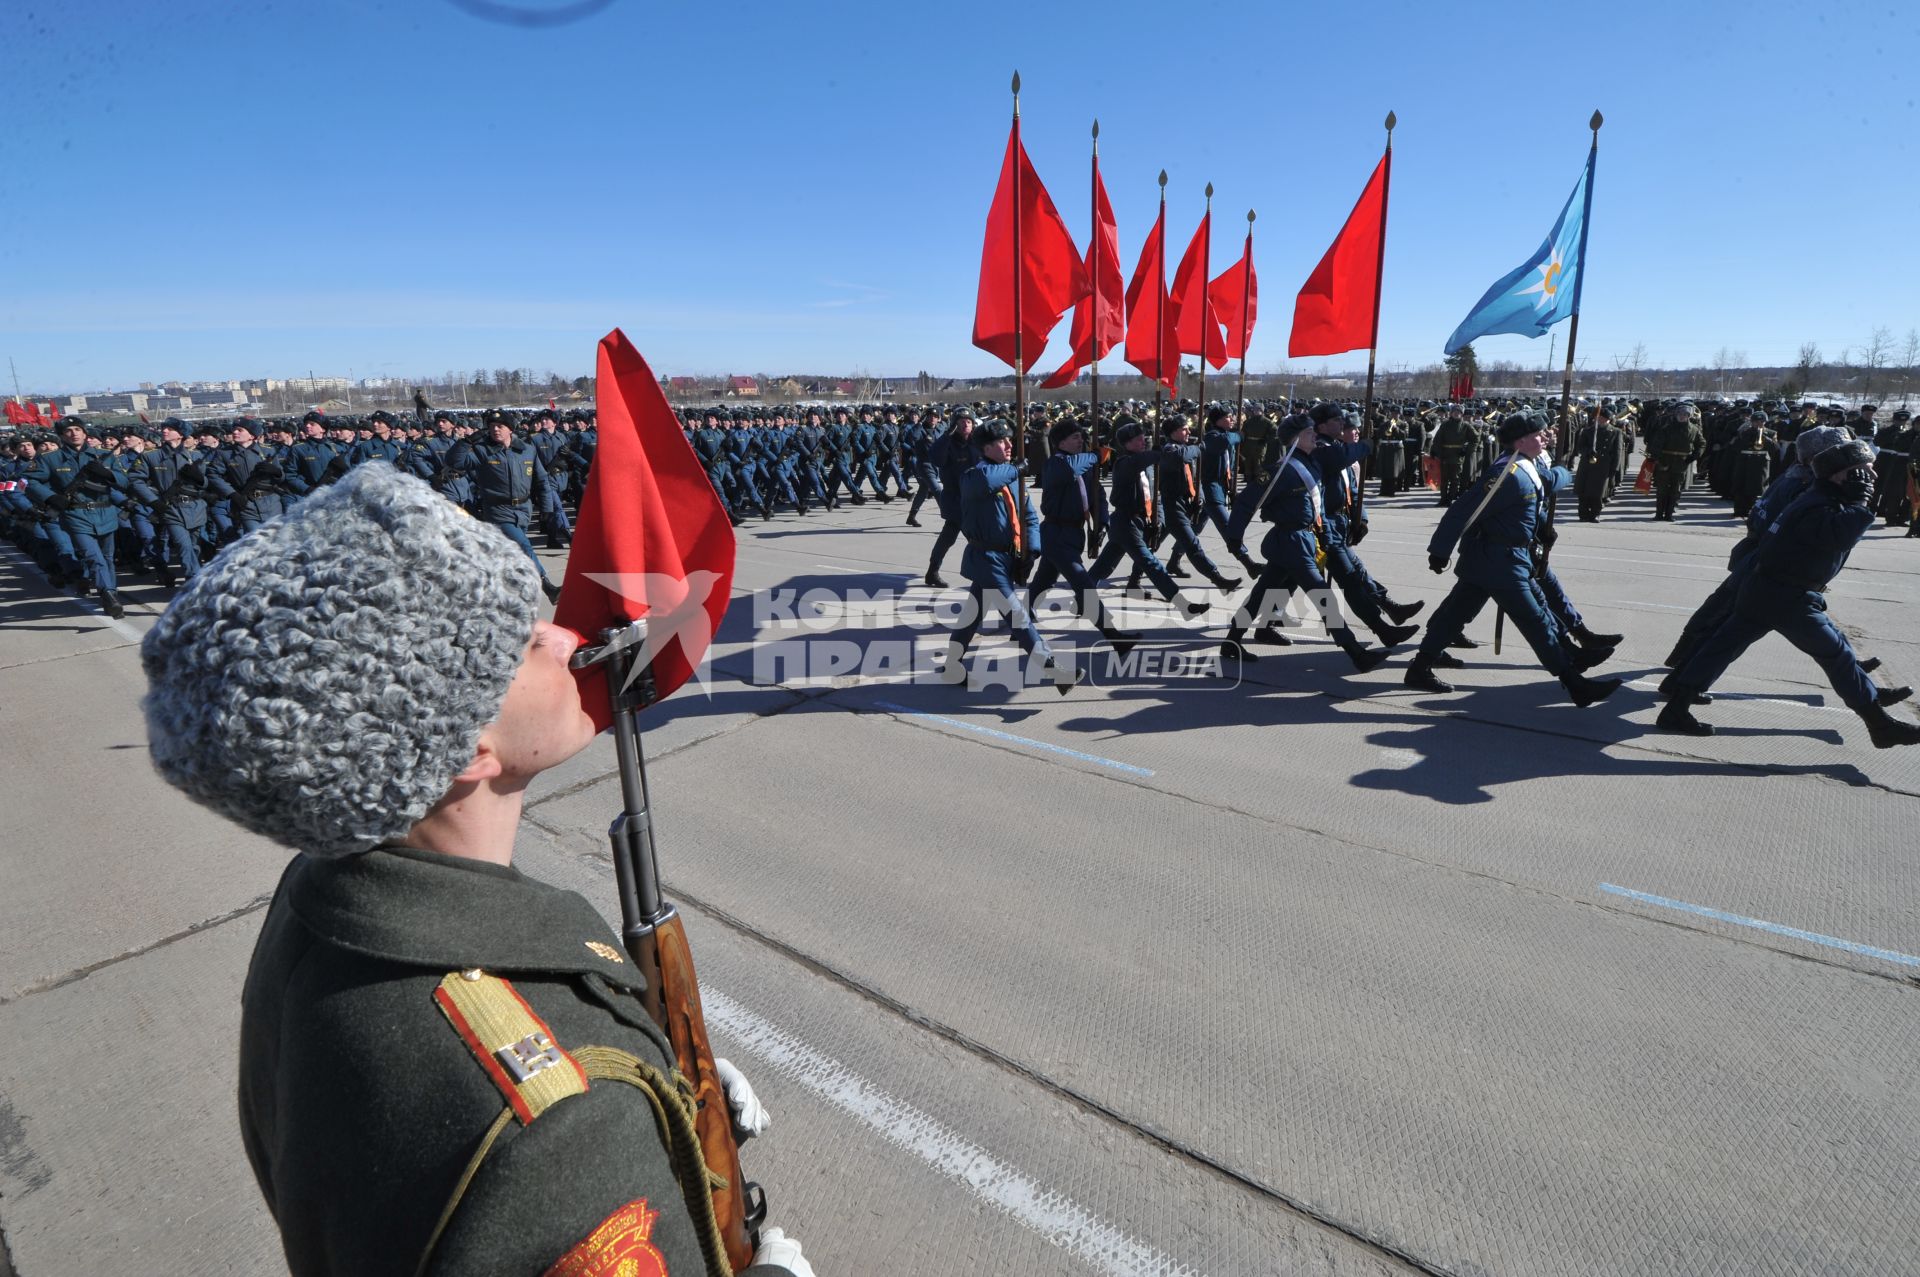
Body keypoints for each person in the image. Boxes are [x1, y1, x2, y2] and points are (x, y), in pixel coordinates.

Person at [138, 464, 814, 1277]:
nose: (568, 637)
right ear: (462, 747)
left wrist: (651, 1079)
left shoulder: (318, 901)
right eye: (527, 643)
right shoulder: (562, 1130)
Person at [1659, 439, 1920, 746]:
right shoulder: (1819, 504)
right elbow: (1838, 536)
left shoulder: (1820, 497)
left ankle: (1676, 707)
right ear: (1840, 475)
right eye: (1862, 472)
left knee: (1722, 646)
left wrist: (1854, 501)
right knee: (1837, 656)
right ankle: (1880, 725)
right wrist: (1861, 504)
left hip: (1769, 590)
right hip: (1788, 598)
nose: (1871, 478)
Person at [1403, 413, 1623, 706]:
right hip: (1499, 561)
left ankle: (1420, 668)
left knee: (1456, 615)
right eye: (1539, 434)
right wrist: (1440, 550)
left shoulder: (1525, 468)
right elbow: (1462, 510)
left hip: (1502, 558)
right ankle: (1574, 682)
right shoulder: (1507, 475)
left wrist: (1545, 528)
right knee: (1535, 621)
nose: (1545, 437)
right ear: (1521, 440)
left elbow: (1523, 508)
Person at [1219, 413, 1389, 672]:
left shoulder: (1312, 463)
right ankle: (1356, 653)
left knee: (1261, 594)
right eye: (1310, 434)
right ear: (1296, 440)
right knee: (1324, 597)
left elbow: (1317, 505)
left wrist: (1326, 539)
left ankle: (1231, 641)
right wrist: (1235, 538)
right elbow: (1246, 502)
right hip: (1291, 541)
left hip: (1306, 539)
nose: (1315, 436)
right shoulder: (1281, 471)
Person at [939, 419, 1078, 692]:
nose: (1009, 445)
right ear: (985, 448)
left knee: (971, 616)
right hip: (985, 557)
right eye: (1002, 442)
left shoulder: (1013, 477)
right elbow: (987, 480)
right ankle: (1054, 670)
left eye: (1008, 440)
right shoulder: (974, 476)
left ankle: (952, 666)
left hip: (1008, 558)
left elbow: (1029, 517)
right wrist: (1015, 470)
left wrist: (1032, 550)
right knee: (1017, 616)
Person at [448, 410, 564, 602]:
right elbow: (454, 462)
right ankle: (547, 586)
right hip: (497, 510)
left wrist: (547, 508)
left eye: (500, 426)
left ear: (510, 429)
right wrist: (466, 442)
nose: (495, 430)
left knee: (512, 553)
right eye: (491, 426)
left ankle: (504, 590)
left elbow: (541, 479)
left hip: (523, 509)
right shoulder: (483, 450)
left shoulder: (526, 449)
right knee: (524, 546)